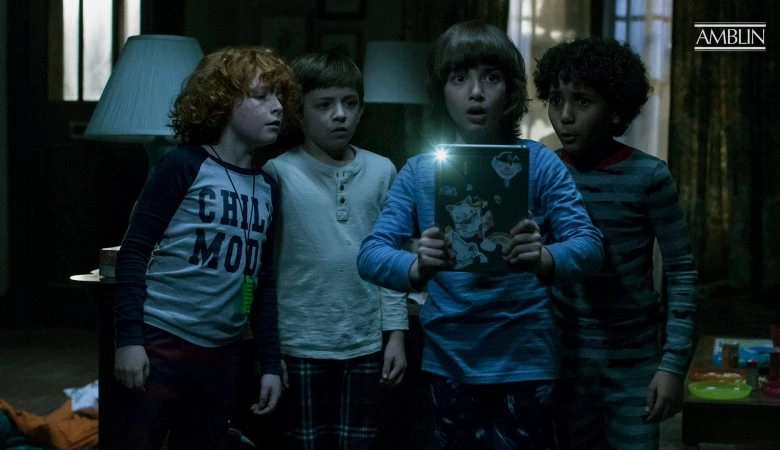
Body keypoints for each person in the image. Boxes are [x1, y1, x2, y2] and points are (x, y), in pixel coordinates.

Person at [357, 21, 603, 450]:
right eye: (459, 78)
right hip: (448, 359)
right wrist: (417, 266)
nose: (476, 92)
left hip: (526, 359)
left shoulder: (539, 162)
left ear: (510, 90)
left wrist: (544, 256)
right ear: (441, 90)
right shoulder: (421, 170)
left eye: (491, 77)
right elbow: (371, 255)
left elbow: (589, 245)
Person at [111, 46, 301, 450]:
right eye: (261, 96)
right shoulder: (184, 165)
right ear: (224, 101)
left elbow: (262, 281)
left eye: (279, 97)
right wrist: (129, 340)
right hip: (162, 341)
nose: (277, 107)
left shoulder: (268, 187)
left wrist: (270, 362)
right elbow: (134, 250)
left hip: (222, 355)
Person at [533, 37, 698, 450]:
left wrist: (672, 366)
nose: (565, 115)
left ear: (617, 110)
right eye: (556, 99)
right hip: (564, 361)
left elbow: (681, 270)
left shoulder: (649, 176)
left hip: (634, 362)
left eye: (583, 101)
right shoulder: (542, 170)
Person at [260, 50, 408, 449]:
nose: (340, 115)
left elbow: (390, 259)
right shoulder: (278, 172)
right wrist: (268, 349)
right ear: (299, 113)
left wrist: (395, 334)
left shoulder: (382, 170)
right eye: (324, 105)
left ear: (361, 109)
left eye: (349, 103)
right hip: (299, 343)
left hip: (364, 342)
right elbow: (263, 269)